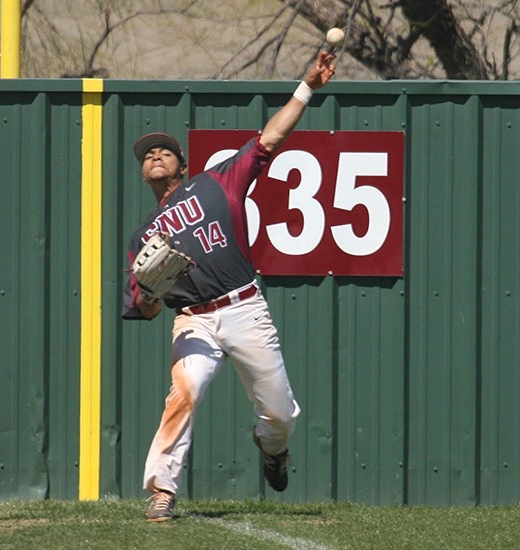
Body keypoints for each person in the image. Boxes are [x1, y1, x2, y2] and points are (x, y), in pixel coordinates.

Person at [122, 50, 337, 522]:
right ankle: (162, 490)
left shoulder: (216, 184)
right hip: (193, 319)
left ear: (182, 165)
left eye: (164, 151)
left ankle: (272, 447)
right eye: (146, 155)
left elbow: (271, 138)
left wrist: (307, 86)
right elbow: (144, 309)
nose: (154, 155)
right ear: (143, 173)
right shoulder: (143, 238)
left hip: (244, 307)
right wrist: (152, 293)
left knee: (280, 414)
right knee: (186, 389)